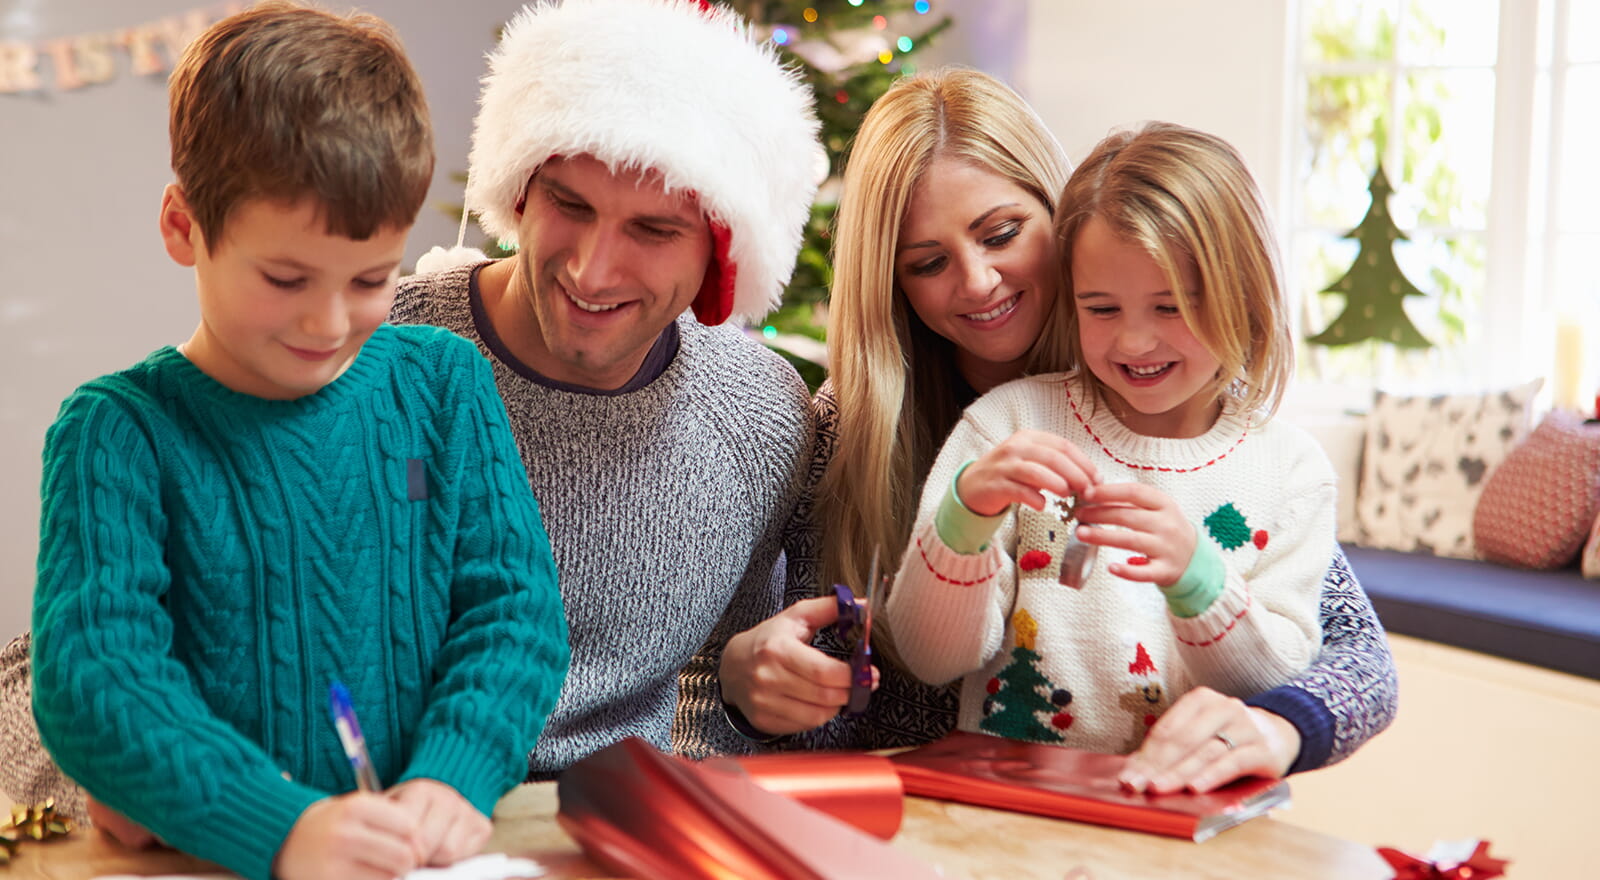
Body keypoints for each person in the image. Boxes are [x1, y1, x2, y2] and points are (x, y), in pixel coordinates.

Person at [720, 68, 1397, 795]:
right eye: (928, 262)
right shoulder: (849, 431)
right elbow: (816, 700)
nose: (978, 281)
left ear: (1062, 215)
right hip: (939, 816)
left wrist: (1281, 723)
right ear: (893, 281)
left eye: (1002, 233)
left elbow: (1353, 658)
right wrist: (746, 690)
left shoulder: (1194, 417)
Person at [27, 5, 569, 880]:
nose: (327, 322)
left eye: (369, 279)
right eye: (285, 278)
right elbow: (97, 676)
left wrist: (454, 776)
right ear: (183, 227)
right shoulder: (115, 434)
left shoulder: (443, 385)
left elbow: (515, 614)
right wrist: (280, 826)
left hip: (427, 853)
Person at [392, 0, 820, 772]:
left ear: (717, 262)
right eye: (569, 204)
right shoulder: (371, 354)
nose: (592, 271)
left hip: (621, 833)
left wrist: (738, 706)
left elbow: (714, 699)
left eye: (653, 231)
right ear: (520, 193)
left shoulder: (761, 420)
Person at [885, 118, 1334, 765]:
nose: (1133, 341)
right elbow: (932, 658)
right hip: (1014, 813)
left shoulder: (1290, 471)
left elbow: (1275, 688)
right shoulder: (1009, 423)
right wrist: (962, 520)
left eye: (1171, 305)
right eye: (1101, 308)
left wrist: (1199, 580)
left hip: (1188, 819)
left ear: (1246, 291)